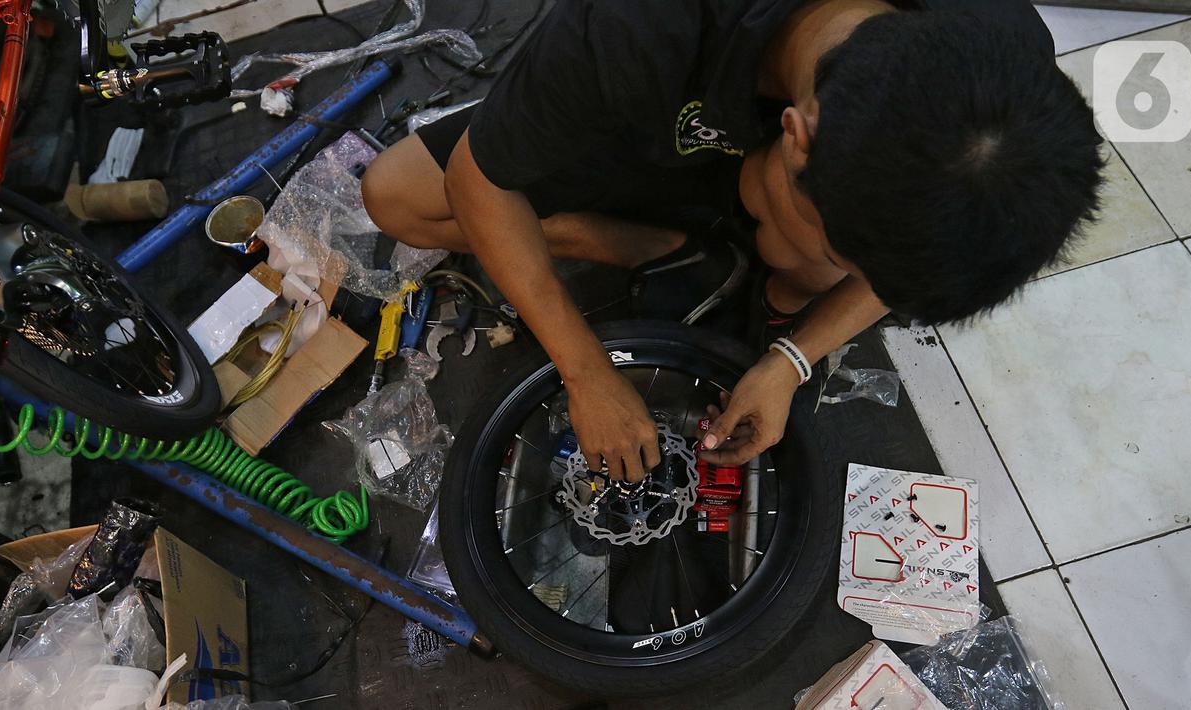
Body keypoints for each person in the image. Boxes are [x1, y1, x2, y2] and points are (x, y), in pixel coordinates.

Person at [361, 0, 1103, 482]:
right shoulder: (630, 27)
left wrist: (789, 361)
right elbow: (479, 182)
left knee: (799, 263)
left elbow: (898, 262)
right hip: (633, 120)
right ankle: (648, 244)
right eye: (857, 260)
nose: (866, 286)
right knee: (395, 198)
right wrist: (585, 373)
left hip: (750, 147)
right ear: (798, 135)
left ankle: (726, 247)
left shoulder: (998, 55)